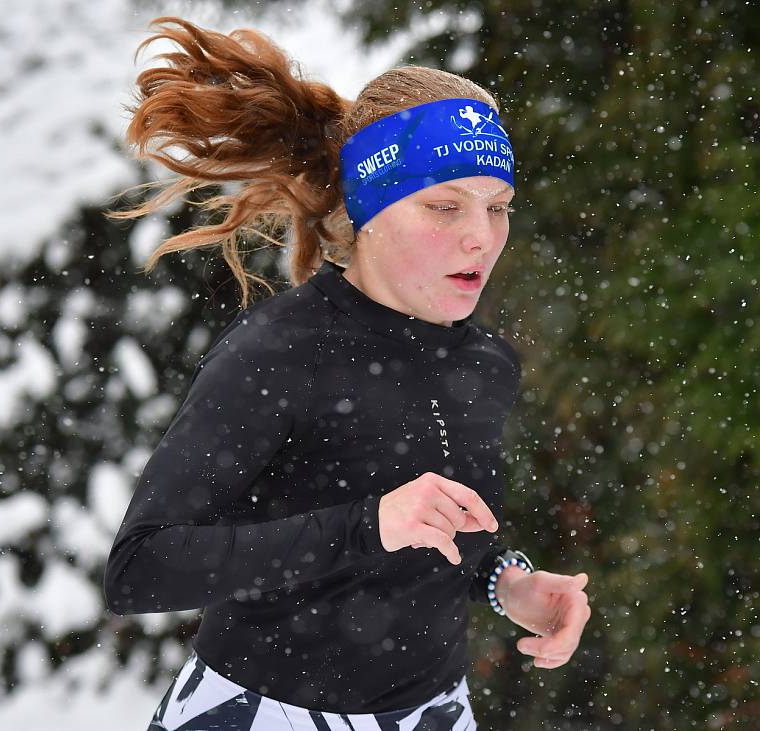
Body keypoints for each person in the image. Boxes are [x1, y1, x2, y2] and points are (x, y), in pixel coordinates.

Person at [103, 15, 592, 730]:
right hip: (259, 711)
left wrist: (505, 583)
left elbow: (444, 537)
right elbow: (140, 568)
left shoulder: (486, 364)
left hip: (433, 713)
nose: (480, 236)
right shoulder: (279, 350)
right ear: (371, 207)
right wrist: (368, 524)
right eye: (444, 206)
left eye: (497, 207)